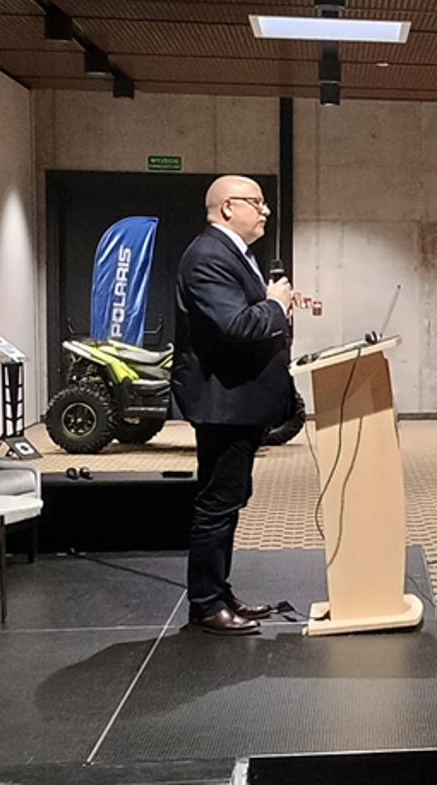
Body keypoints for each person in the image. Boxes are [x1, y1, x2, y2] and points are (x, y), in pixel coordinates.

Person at [172, 176, 294, 637]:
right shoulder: (208, 256)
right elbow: (236, 325)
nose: (265, 211)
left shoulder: (232, 253)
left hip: (238, 401)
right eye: (256, 203)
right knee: (217, 504)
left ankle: (219, 593)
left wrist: (274, 308)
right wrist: (276, 306)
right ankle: (205, 604)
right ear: (227, 208)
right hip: (223, 402)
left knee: (229, 501)